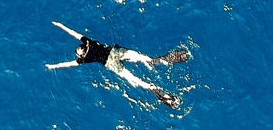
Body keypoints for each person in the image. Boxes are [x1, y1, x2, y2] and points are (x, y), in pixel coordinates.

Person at [45, 21, 189, 109]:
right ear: (84, 46)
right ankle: (164, 59)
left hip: (111, 64)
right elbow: (73, 33)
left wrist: (53, 66)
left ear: (81, 54)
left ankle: (156, 91)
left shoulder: (83, 59)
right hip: (115, 51)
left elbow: (68, 64)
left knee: (136, 80)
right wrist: (60, 25)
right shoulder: (89, 42)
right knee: (145, 59)